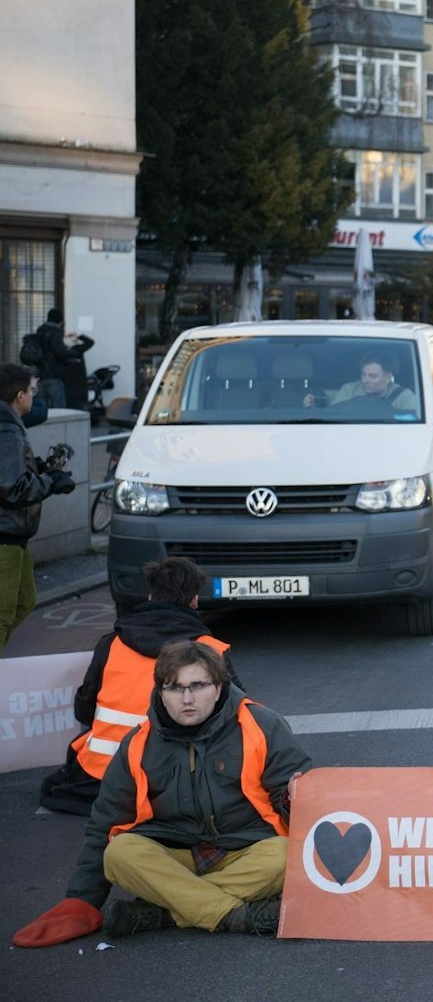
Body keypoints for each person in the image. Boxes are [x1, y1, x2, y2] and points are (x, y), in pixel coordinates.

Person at [12, 640, 310, 944]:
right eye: (175, 688)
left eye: (198, 685)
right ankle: (236, 915)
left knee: (286, 854)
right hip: (172, 853)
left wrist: (292, 798)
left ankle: (166, 912)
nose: (187, 698)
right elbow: (105, 821)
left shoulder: (262, 724)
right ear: (160, 692)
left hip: (245, 848)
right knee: (119, 853)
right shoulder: (138, 743)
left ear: (219, 687)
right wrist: (82, 899)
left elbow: (299, 800)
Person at [38, 557, 234, 815]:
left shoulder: (112, 644)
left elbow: (84, 708)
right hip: (173, 779)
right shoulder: (212, 651)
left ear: (151, 597)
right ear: (194, 600)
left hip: (100, 776)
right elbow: (235, 717)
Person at [1, 364, 77, 649]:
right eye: (32, 391)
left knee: (25, 601)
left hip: (14, 535)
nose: (34, 397)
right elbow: (10, 488)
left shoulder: (10, 425)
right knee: (3, 613)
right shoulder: (6, 429)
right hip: (4, 537)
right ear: (20, 396)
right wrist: (50, 482)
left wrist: (43, 470)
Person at [306, 351, 419, 412]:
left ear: (388, 377)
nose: (365, 380)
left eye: (372, 376)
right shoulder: (349, 390)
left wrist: (392, 414)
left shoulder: (404, 396)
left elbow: (413, 420)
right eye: (363, 374)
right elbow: (334, 415)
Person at [32, 309, 93, 411]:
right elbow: (61, 353)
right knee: (59, 410)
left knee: (42, 408)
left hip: (40, 375)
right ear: (60, 321)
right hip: (54, 376)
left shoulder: (41, 332)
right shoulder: (55, 333)